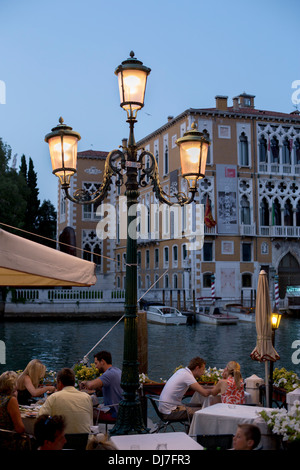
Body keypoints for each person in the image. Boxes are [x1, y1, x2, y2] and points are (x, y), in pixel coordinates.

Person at [38, 367, 93, 434]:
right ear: (73, 383)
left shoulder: (54, 397)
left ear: (60, 383)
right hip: (84, 441)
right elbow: (90, 421)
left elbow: (41, 418)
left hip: (60, 441)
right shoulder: (87, 397)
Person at [80, 351, 123, 420]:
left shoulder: (109, 374)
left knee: (86, 411)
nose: (96, 367)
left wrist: (84, 383)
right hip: (120, 409)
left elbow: (91, 385)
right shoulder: (117, 370)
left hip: (114, 413)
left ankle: (91, 430)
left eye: (96, 363)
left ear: (102, 361)